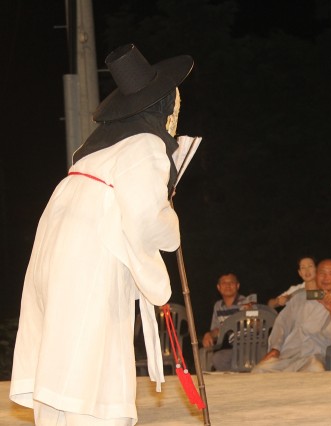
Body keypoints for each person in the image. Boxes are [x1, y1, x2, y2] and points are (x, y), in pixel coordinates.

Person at [10, 44, 194, 425]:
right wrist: (171, 222)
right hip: (92, 252)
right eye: (174, 105)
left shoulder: (96, 152)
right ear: (160, 107)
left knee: (64, 347)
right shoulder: (147, 146)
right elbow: (147, 219)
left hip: (59, 242)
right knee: (91, 352)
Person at [252, 259, 331, 373]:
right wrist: (275, 348)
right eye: (322, 273)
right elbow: (282, 324)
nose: (326, 278)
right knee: (259, 370)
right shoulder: (298, 299)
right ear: (316, 275)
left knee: (314, 369)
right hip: (289, 356)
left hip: (317, 358)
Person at [201, 273, 254, 371]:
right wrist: (208, 334)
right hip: (235, 349)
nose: (228, 285)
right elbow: (217, 330)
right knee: (218, 358)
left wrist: (251, 315)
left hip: (253, 346)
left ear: (237, 286)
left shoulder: (247, 302)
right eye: (224, 283)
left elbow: (259, 325)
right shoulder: (218, 306)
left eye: (231, 282)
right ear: (219, 287)